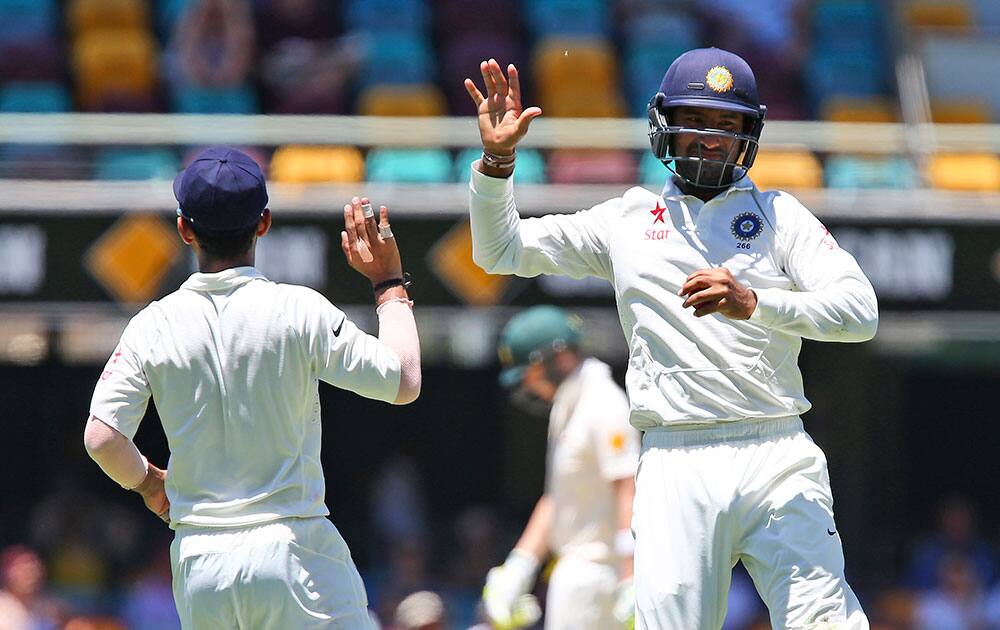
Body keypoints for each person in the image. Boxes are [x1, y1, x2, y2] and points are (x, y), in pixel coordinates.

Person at [464, 48, 877, 629]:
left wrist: (755, 303)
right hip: (675, 458)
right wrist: (497, 162)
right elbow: (499, 250)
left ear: (748, 135)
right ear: (664, 124)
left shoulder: (780, 215)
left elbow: (859, 312)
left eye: (727, 125)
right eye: (698, 121)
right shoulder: (626, 221)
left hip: (777, 450)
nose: (712, 138)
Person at [83, 146, 420, 628]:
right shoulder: (299, 309)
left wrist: (148, 483)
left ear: (184, 229)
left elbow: (101, 436)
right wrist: (388, 282)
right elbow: (403, 381)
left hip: (201, 564)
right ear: (263, 223)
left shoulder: (151, 324)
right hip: (293, 551)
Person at [482, 306, 639, 629]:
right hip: (574, 573)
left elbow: (627, 486)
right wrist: (518, 566)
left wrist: (631, 576)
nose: (528, 386)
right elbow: (556, 498)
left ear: (558, 356)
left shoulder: (604, 403)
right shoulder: (568, 407)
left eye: (529, 374)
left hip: (601, 576)